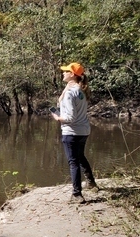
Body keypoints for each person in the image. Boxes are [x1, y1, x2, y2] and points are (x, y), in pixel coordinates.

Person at [52, 62, 98, 203]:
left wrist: (57, 117)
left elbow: (70, 118)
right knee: (80, 156)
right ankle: (91, 182)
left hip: (71, 132)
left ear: (72, 74)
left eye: (66, 71)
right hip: (83, 131)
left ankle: (77, 194)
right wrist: (66, 87)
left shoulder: (71, 93)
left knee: (73, 162)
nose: (63, 73)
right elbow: (62, 101)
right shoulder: (81, 90)